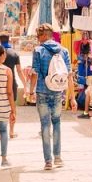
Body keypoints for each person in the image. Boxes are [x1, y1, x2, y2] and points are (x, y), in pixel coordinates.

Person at [28, 24, 72, 170]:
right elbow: (69, 75)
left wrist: (30, 91)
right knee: (57, 123)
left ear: (44, 35)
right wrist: (71, 97)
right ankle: (58, 157)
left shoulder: (38, 50)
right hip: (58, 92)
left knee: (45, 125)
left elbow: (34, 73)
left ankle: (48, 161)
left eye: (38, 36)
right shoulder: (64, 50)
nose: (37, 39)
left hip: (42, 91)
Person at [0, 33, 28, 138]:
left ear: (0, 40)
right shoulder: (14, 53)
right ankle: (11, 131)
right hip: (11, 84)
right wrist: (25, 85)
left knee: (0, 107)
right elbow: (19, 71)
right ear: (9, 40)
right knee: (12, 107)